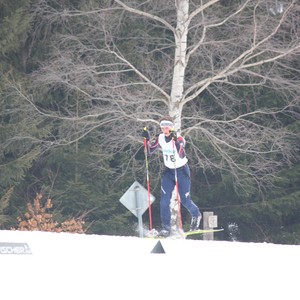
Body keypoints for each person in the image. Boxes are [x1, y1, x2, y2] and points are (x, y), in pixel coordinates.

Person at [142, 117, 201, 236]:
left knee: (185, 200)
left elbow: (181, 153)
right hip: (169, 172)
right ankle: (166, 228)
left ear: (172, 127)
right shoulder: (160, 138)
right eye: (163, 126)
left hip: (181, 171)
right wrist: (147, 140)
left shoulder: (179, 138)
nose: (165, 128)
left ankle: (196, 215)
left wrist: (176, 142)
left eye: (168, 126)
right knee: (164, 201)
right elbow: (149, 151)